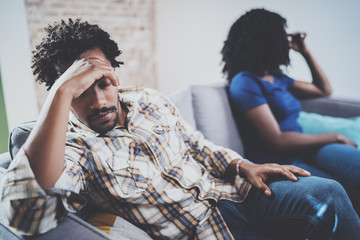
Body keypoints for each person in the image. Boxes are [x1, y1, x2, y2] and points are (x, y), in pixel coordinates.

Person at [1, 19, 359, 240]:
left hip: (237, 193)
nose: (98, 101)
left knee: (328, 193)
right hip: (206, 231)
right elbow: (26, 214)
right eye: (79, 90)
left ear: (115, 73)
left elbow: (198, 145)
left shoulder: (147, 100)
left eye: (102, 82)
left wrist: (241, 165)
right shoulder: (72, 147)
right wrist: (62, 88)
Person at [221, 7, 360, 215]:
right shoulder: (244, 82)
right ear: (268, 40)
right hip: (282, 158)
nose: (288, 41)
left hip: (307, 149)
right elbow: (276, 139)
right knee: (336, 189)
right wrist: (335, 136)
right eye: (284, 35)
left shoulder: (277, 78)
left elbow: (324, 89)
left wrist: (305, 51)